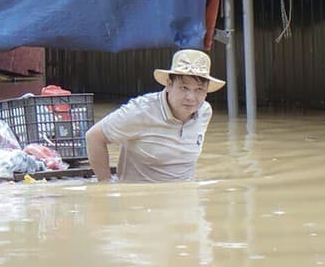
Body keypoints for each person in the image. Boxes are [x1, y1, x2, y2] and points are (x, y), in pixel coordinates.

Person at [85, 48, 223, 184]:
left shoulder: (204, 112)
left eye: (199, 90)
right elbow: (94, 137)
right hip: (142, 201)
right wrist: (105, 184)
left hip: (186, 198)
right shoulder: (141, 111)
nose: (191, 98)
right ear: (169, 85)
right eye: (184, 88)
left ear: (206, 92)